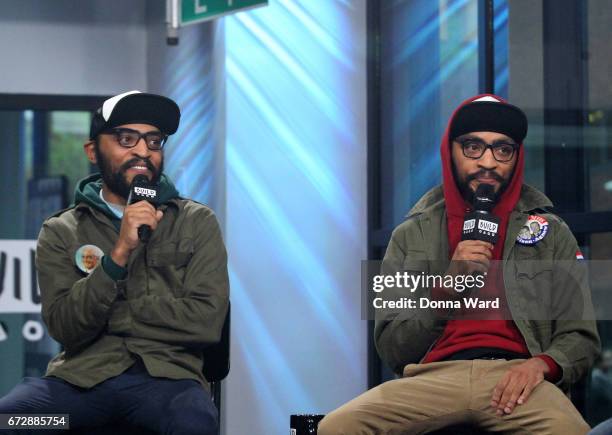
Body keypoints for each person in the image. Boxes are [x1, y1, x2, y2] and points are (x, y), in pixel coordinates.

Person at [319, 94, 600, 434]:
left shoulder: (551, 232)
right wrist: (446, 290)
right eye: (472, 147)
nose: (488, 162)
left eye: (503, 150)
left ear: (517, 157)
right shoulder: (409, 235)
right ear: (449, 151)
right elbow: (392, 347)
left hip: (518, 378)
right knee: (336, 427)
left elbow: (581, 336)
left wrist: (541, 365)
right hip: (432, 378)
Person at [0, 90, 229, 435]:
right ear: (93, 151)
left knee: (193, 423)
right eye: (126, 138)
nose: (142, 151)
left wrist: (116, 313)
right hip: (81, 384)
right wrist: (119, 253)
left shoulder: (197, 222)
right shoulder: (61, 230)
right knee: (13, 421)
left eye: (154, 141)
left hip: (167, 383)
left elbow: (207, 322)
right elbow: (65, 326)